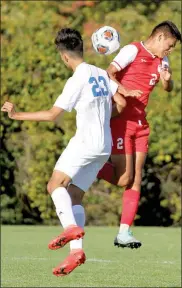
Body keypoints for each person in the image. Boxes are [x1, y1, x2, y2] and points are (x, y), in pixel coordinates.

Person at [1, 28, 125, 276]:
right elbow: (121, 103)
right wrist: (102, 117)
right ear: (80, 49)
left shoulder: (77, 78)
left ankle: (69, 227)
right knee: (75, 195)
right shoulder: (101, 74)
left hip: (85, 142)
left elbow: (52, 115)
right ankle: (76, 251)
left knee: (54, 185)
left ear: (64, 57)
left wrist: (16, 115)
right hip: (104, 146)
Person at [97, 20, 181, 249]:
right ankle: (90, 164)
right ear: (161, 37)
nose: (170, 50)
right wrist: (123, 90)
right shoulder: (132, 50)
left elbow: (168, 88)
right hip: (120, 121)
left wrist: (168, 81)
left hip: (141, 123)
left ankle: (124, 232)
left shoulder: (163, 60)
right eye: (170, 45)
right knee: (124, 178)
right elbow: (108, 73)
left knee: (135, 177)